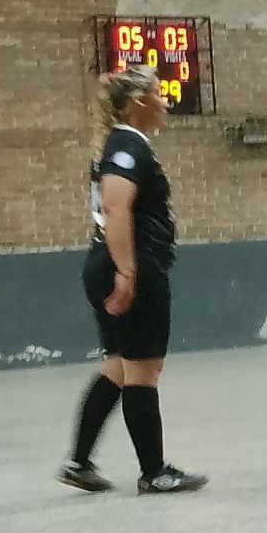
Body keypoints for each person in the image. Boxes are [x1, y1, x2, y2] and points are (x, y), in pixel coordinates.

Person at [56, 65, 207, 494]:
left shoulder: (118, 145)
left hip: (108, 263)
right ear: (140, 102)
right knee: (144, 372)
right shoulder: (128, 147)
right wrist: (127, 272)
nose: (165, 103)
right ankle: (155, 472)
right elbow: (117, 208)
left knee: (119, 367)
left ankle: (79, 461)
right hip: (128, 266)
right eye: (159, 95)